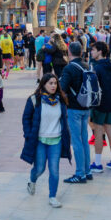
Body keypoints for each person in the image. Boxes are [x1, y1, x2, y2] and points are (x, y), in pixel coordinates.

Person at [21, 73, 71, 208]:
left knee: (54, 170)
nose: (53, 86)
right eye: (50, 83)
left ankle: (52, 196)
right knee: (40, 168)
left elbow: (64, 120)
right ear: (43, 84)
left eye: (55, 83)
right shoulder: (34, 100)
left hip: (56, 140)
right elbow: (26, 118)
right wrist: (28, 134)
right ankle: (32, 180)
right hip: (40, 140)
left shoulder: (61, 100)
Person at [60, 42, 92, 183]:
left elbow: (62, 88)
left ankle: (80, 174)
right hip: (86, 107)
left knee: (77, 141)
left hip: (74, 108)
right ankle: (87, 170)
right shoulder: (87, 65)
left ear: (69, 52)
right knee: (84, 140)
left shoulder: (69, 68)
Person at [89, 42, 111, 173]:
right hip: (110, 103)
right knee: (110, 131)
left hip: (99, 104)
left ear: (100, 51)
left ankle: (97, 163)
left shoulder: (97, 68)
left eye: (93, 50)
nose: (91, 52)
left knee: (98, 132)